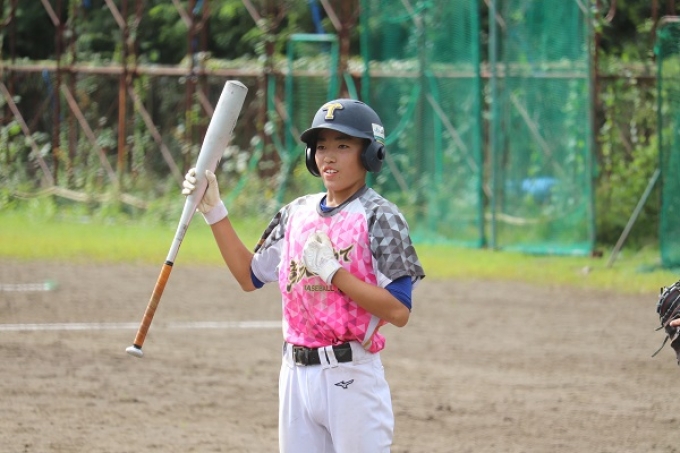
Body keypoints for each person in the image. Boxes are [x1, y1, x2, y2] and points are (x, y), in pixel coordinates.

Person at [182, 98, 425, 453]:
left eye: (343, 146)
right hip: (295, 376)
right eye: (321, 147)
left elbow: (399, 310)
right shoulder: (296, 214)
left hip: (351, 378)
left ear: (371, 154)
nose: (329, 157)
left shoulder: (380, 217)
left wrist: (334, 273)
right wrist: (214, 211)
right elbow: (249, 276)